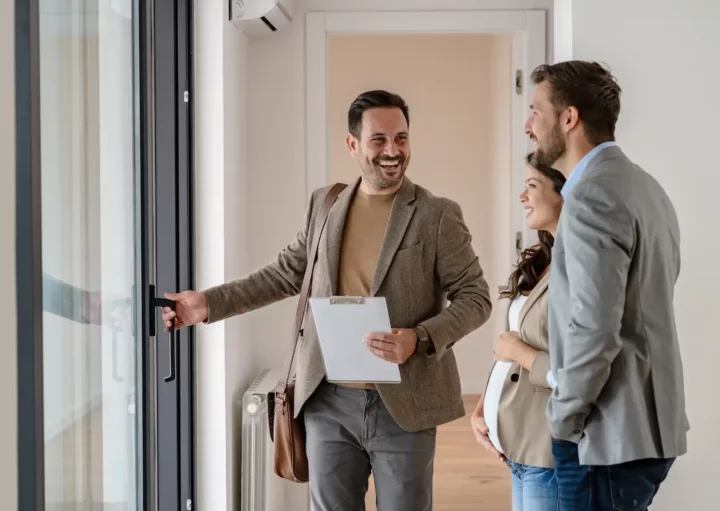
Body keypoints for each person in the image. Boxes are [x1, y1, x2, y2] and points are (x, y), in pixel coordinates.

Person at [161, 90, 493, 511]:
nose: (392, 151)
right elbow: (285, 273)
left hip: (405, 402)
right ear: (353, 145)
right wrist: (208, 304)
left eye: (401, 138)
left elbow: (476, 297)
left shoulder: (437, 213)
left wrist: (420, 336)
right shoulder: (326, 204)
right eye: (378, 139)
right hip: (328, 399)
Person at [525, 60, 688, 510]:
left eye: (536, 111)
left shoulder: (592, 195)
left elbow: (594, 329)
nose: (528, 125)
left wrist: (562, 418)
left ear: (569, 118)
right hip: (651, 430)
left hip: (604, 436)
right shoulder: (646, 187)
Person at [471, 154, 565, 511]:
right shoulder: (543, 261)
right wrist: (482, 408)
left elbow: (578, 373)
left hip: (548, 451)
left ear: (564, 193)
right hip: (518, 447)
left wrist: (517, 351)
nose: (522, 197)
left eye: (532, 186)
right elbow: (507, 347)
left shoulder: (580, 268)